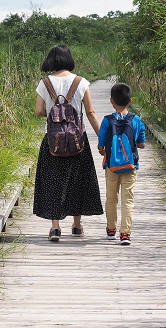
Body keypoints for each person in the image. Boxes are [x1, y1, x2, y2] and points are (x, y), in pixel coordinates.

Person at [33, 44, 104, 241]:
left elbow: (39, 111)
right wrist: (102, 138)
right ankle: (77, 225)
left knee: (53, 183)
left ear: (51, 61)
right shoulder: (81, 82)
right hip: (77, 141)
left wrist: (53, 111)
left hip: (52, 142)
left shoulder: (45, 83)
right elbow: (90, 112)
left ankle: (55, 228)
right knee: (77, 182)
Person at [97, 82, 146, 245]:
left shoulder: (107, 121)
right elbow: (141, 144)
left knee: (111, 198)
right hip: (130, 166)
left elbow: (101, 145)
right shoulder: (136, 120)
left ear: (111, 101)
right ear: (130, 101)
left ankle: (111, 229)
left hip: (111, 166)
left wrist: (103, 150)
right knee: (128, 200)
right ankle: (125, 234)